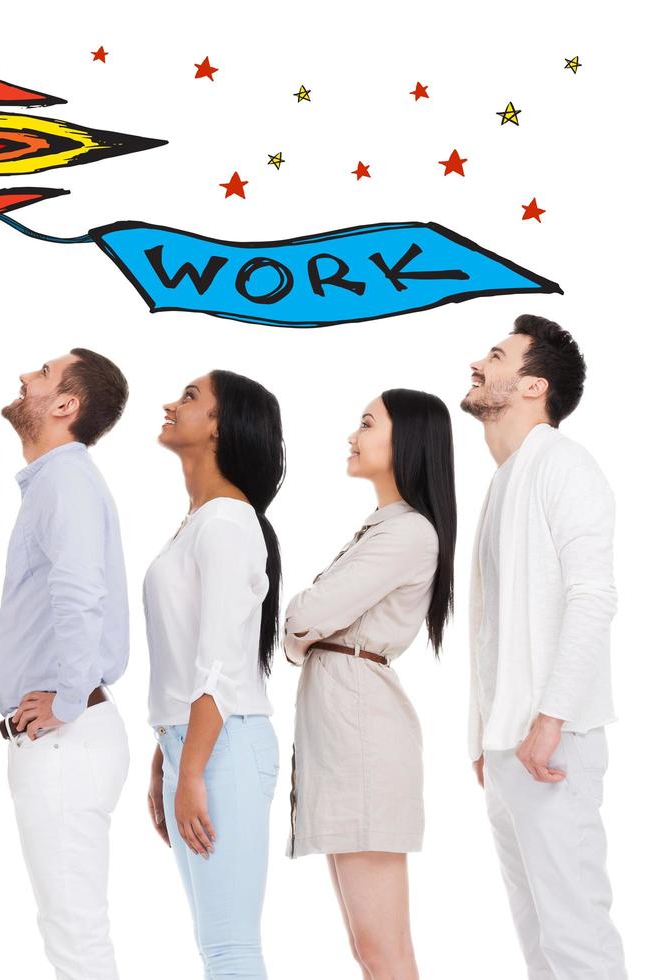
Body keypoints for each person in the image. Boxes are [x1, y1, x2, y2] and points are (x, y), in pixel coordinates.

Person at [460, 314, 625, 977]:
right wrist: (482, 734)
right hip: (512, 743)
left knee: (573, 933)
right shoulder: (506, 479)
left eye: (495, 356)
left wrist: (548, 719)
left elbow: (592, 597)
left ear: (532, 386)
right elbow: (493, 627)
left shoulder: (563, 464)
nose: (477, 364)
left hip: (549, 741)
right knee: (538, 936)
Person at [282, 389, 457, 979]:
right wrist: (304, 623)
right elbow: (308, 621)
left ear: (405, 439)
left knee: (383, 951)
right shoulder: (383, 527)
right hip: (344, 730)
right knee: (370, 949)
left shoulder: (408, 533)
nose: (352, 436)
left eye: (366, 424)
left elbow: (306, 615)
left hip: (361, 738)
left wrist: (301, 621)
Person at [0, 348, 130, 980]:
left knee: (75, 932)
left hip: (67, 737)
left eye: (41, 375)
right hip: (58, 739)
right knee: (66, 927)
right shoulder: (54, 481)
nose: (24, 376)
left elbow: (80, 593)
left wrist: (68, 700)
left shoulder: (65, 480)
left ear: (65, 405)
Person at [144, 370, 285, 980]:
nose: (172, 403)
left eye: (191, 397)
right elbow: (187, 657)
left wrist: (191, 768)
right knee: (215, 945)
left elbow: (222, 665)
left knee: (230, 948)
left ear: (221, 427)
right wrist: (166, 758)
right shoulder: (202, 519)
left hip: (221, 748)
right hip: (196, 745)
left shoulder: (227, 522)